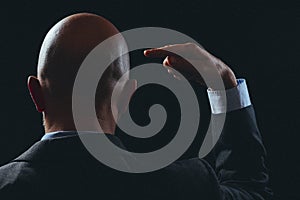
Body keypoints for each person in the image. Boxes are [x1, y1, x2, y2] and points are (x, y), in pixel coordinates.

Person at [0, 13, 272, 200]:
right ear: (126, 97)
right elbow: (250, 191)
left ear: (36, 93)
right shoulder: (183, 186)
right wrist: (224, 84)